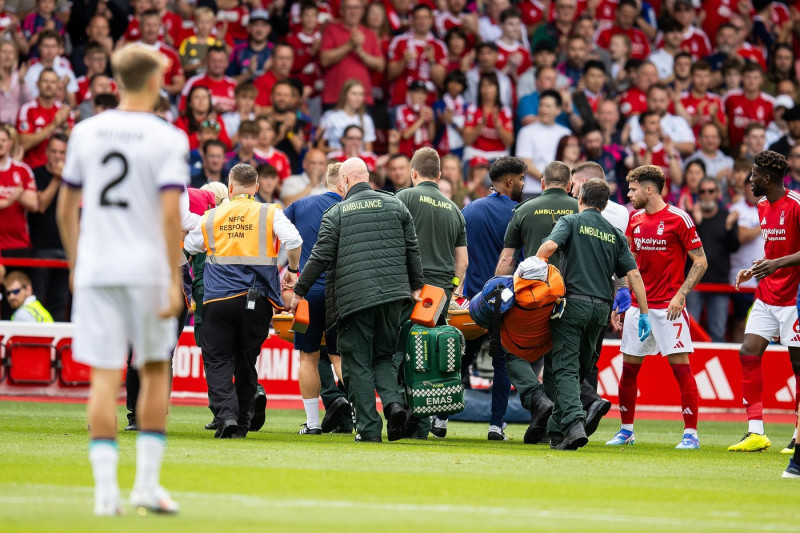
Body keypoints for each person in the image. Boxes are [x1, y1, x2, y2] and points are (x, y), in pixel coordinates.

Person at [55, 44, 187, 515]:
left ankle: (104, 493)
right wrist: (174, 279)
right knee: (153, 370)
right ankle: (146, 487)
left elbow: (66, 208)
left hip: (97, 269)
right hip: (146, 270)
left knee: (103, 378)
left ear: (115, 79)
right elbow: (171, 214)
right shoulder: (168, 137)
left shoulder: (85, 132)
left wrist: (75, 266)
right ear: (155, 82)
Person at [290, 157, 424, 443]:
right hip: (394, 297)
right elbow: (412, 248)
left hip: (354, 300)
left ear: (344, 182)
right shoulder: (396, 203)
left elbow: (319, 257)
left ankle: (369, 429)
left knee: (357, 362)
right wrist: (416, 287)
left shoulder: (337, 213)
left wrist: (299, 290)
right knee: (384, 356)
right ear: (366, 177)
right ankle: (394, 404)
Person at [183, 163, 302, 439]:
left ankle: (226, 416)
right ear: (257, 187)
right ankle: (243, 424)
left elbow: (188, 248)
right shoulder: (269, 212)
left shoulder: (212, 216)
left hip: (217, 301)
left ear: (231, 186)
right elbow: (294, 240)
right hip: (256, 301)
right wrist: (293, 272)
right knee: (247, 361)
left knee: (218, 360)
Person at [535, 178, 649, 450]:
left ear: (581, 198)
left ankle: (575, 424)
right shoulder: (615, 233)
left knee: (565, 367)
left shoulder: (570, 222)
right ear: (605, 203)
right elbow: (632, 274)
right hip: (600, 310)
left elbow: (549, 248)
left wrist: (533, 271)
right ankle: (556, 429)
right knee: (580, 370)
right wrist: (643, 312)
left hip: (572, 305)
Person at [606, 165, 707, 450]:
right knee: (628, 369)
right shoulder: (635, 220)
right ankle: (626, 431)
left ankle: (691, 434)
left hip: (669, 308)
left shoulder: (679, 219)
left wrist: (681, 294)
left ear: (649, 189)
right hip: (638, 308)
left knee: (681, 370)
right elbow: (627, 263)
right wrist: (622, 296)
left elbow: (700, 261)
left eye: (633, 189)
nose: (629, 194)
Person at [730, 150, 800, 455]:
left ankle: (799, 434)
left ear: (768, 178)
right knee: (748, 352)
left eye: (754, 175)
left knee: (798, 366)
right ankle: (756, 431)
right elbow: (774, 251)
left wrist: (777, 264)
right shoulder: (761, 206)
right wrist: (757, 266)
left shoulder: (796, 205)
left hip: (794, 298)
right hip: (767, 293)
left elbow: (784, 257)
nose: (750, 180)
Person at [395, 147, 468, 439]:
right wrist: (451, 289)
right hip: (438, 295)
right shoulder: (455, 209)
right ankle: (422, 424)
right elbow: (462, 261)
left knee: (400, 352)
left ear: (414, 173)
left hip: (407, 288)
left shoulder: (404, 198)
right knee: (428, 358)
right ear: (439, 175)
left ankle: (400, 413)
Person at [454, 156, 525, 440]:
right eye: (520, 179)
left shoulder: (469, 210)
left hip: (471, 302)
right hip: (506, 302)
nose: (522, 184)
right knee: (502, 365)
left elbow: (458, 255)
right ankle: (496, 425)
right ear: (509, 181)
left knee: (460, 361)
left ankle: (441, 418)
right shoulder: (520, 212)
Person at [283, 163, 347, 434]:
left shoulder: (300, 206)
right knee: (339, 357)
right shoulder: (351, 208)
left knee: (308, 357)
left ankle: (312, 424)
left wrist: (291, 270)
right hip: (341, 294)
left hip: (307, 294)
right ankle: (361, 419)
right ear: (343, 183)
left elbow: (277, 232)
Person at [685, 177, 739, 343]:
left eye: (711, 191)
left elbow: (734, 247)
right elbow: (685, 248)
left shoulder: (726, 217)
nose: (707, 195)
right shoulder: (689, 218)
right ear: (698, 194)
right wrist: (697, 223)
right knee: (689, 330)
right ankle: (691, 367)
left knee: (718, 331)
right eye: (703, 191)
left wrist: (730, 229)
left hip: (719, 282)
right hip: (694, 281)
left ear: (718, 194)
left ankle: (717, 368)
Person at [28, 133, 69, 321]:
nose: (58, 156)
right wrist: (57, 179)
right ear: (46, 152)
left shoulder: (74, 179)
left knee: (60, 301)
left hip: (66, 248)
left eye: (62, 152)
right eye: (54, 151)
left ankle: (58, 347)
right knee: (37, 301)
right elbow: (41, 205)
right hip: (41, 248)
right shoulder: (36, 174)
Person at [319, 0, 385, 110]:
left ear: (362, 11)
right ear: (341, 10)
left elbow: (380, 65)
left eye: (356, 8)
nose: (353, 12)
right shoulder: (331, 30)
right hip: (334, 98)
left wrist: (361, 53)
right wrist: (349, 45)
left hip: (362, 99)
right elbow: (324, 60)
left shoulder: (369, 33)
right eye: (349, 8)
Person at [0, 124, 38, 256]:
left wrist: (19, 195)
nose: (0, 144)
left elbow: (34, 205)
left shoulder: (22, 170)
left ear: (10, 144)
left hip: (19, 244)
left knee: (19, 278)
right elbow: (8, 201)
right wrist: (7, 201)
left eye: (3, 140)